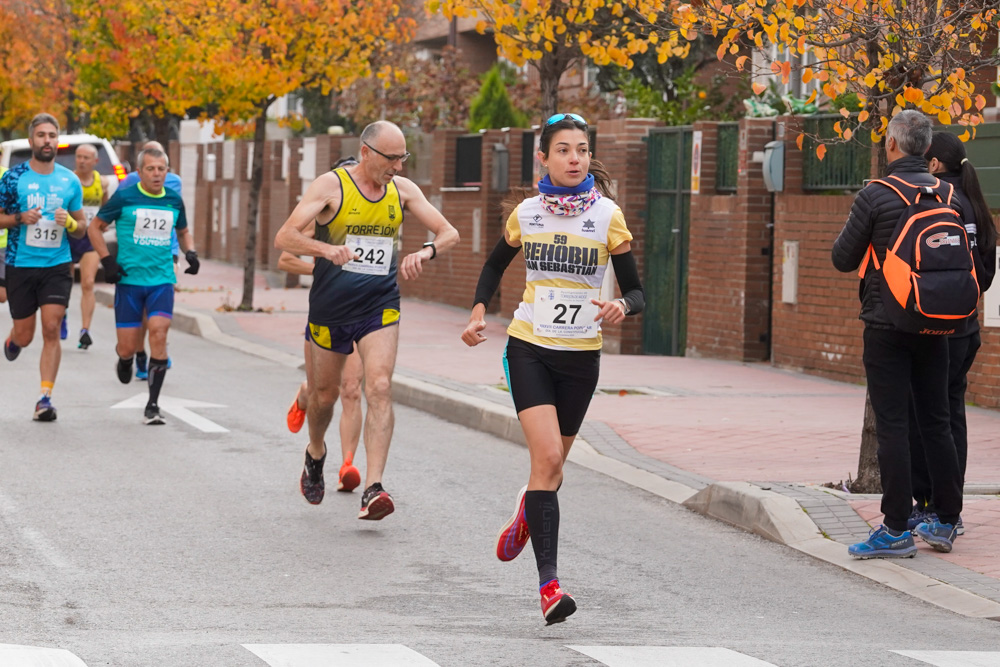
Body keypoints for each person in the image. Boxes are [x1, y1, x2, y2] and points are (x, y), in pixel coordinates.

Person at [461, 112, 645, 624]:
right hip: (530, 348)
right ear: (543, 157)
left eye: (582, 150)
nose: (574, 159)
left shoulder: (607, 216)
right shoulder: (527, 214)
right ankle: (549, 587)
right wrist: (478, 312)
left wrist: (622, 307)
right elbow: (496, 264)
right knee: (545, 457)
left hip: (581, 357)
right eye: (563, 150)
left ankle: (526, 511)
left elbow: (636, 291)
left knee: (552, 470)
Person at [274, 121, 459, 520]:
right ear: (366, 153)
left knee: (378, 385)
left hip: (379, 305)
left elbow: (449, 232)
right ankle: (316, 452)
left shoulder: (402, 191)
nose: (398, 167)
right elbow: (285, 238)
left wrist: (425, 252)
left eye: (403, 158)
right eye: (391, 158)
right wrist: (326, 249)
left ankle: (373, 487)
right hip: (330, 308)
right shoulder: (331, 187)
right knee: (324, 397)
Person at [833, 110, 965, 558]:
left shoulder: (876, 195)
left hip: (887, 323)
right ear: (926, 149)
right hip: (938, 322)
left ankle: (894, 529)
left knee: (893, 424)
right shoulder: (949, 193)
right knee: (937, 421)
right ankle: (946, 520)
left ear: (891, 145)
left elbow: (843, 258)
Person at [906, 132, 997, 534]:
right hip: (967, 327)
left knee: (927, 418)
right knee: (951, 416)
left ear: (935, 165)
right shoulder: (976, 203)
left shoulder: (943, 202)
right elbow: (986, 274)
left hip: (939, 328)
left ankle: (933, 507)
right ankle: (950, 508)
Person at [87, 146, 200, 425]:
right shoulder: (125, 197)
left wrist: (191, 252)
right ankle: (125, 360)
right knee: (127, 347)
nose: (157, 174)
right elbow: (94, 228)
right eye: (151, 169)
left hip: (161, 280)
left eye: (162, 169)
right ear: (140, 172)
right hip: (129, 283)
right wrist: (107, 261)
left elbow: (183, 230)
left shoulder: (173, 199)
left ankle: (152, 404)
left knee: (159, 334)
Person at [281, 155, 363, 494]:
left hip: (365, 314)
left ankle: (347, 465)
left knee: (352, 389)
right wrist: (322, 265)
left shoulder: (371, 220)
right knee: (321, 393)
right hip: (327, 314)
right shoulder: (321, 222)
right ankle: (303, 395)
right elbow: (285, 257)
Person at [0, 113, 87, 421]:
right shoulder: (13, 178)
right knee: (25, 336)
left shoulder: (69, 180)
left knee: (52, 328)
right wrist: (19, 219)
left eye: (52, 135)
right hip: (20, 264)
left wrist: (72, 222)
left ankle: (44, 399)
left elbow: (81, 228)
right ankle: (13, 340)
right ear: (31, 140)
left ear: (57, 140)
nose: (47, 140)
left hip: (57, 264)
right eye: (41, 135)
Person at [120, 140, 182, 379]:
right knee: (142, 311)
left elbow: (178, 216)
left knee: (159, 308)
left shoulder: (175, 182)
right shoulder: (129, 183)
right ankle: (139, 352)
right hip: (138, 256)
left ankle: (159, 347)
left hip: (167, 252)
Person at [70, 143, 111, 350]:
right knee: (65, 283)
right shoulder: (69, 180)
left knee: (87, 283)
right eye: (79, 157)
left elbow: (106, 207)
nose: (82, 161)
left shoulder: (101, 182)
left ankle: (85, 330)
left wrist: (102, 224)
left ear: (95, 161)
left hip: (90, 240)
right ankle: (61, 317)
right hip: (69, 236)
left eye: (87, 157)